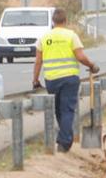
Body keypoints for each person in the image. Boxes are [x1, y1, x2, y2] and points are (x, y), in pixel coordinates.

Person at [32, 9, 98, 153]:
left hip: (52, 80)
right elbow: (80, 57)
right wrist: (91, 65)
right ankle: (64, 141)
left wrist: (35, 80)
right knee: (67, 109)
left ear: (53, 22)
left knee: (58, 110)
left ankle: (64, 140)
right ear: (65, 21)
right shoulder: (71, 36)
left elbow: (38, 62)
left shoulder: (44, 38)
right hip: (69, 79)